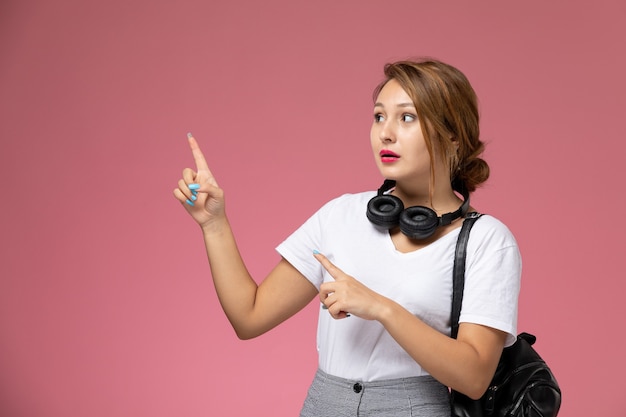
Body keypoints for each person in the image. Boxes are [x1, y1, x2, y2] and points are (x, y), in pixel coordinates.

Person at [173, 58, 521, 417]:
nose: (385, 132)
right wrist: (213, 224)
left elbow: (475, 375)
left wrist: (381, 308)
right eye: (378, 116)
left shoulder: (487, 241)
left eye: (406, 117)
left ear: (452, 135)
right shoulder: (340, 216)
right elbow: (249, 317)